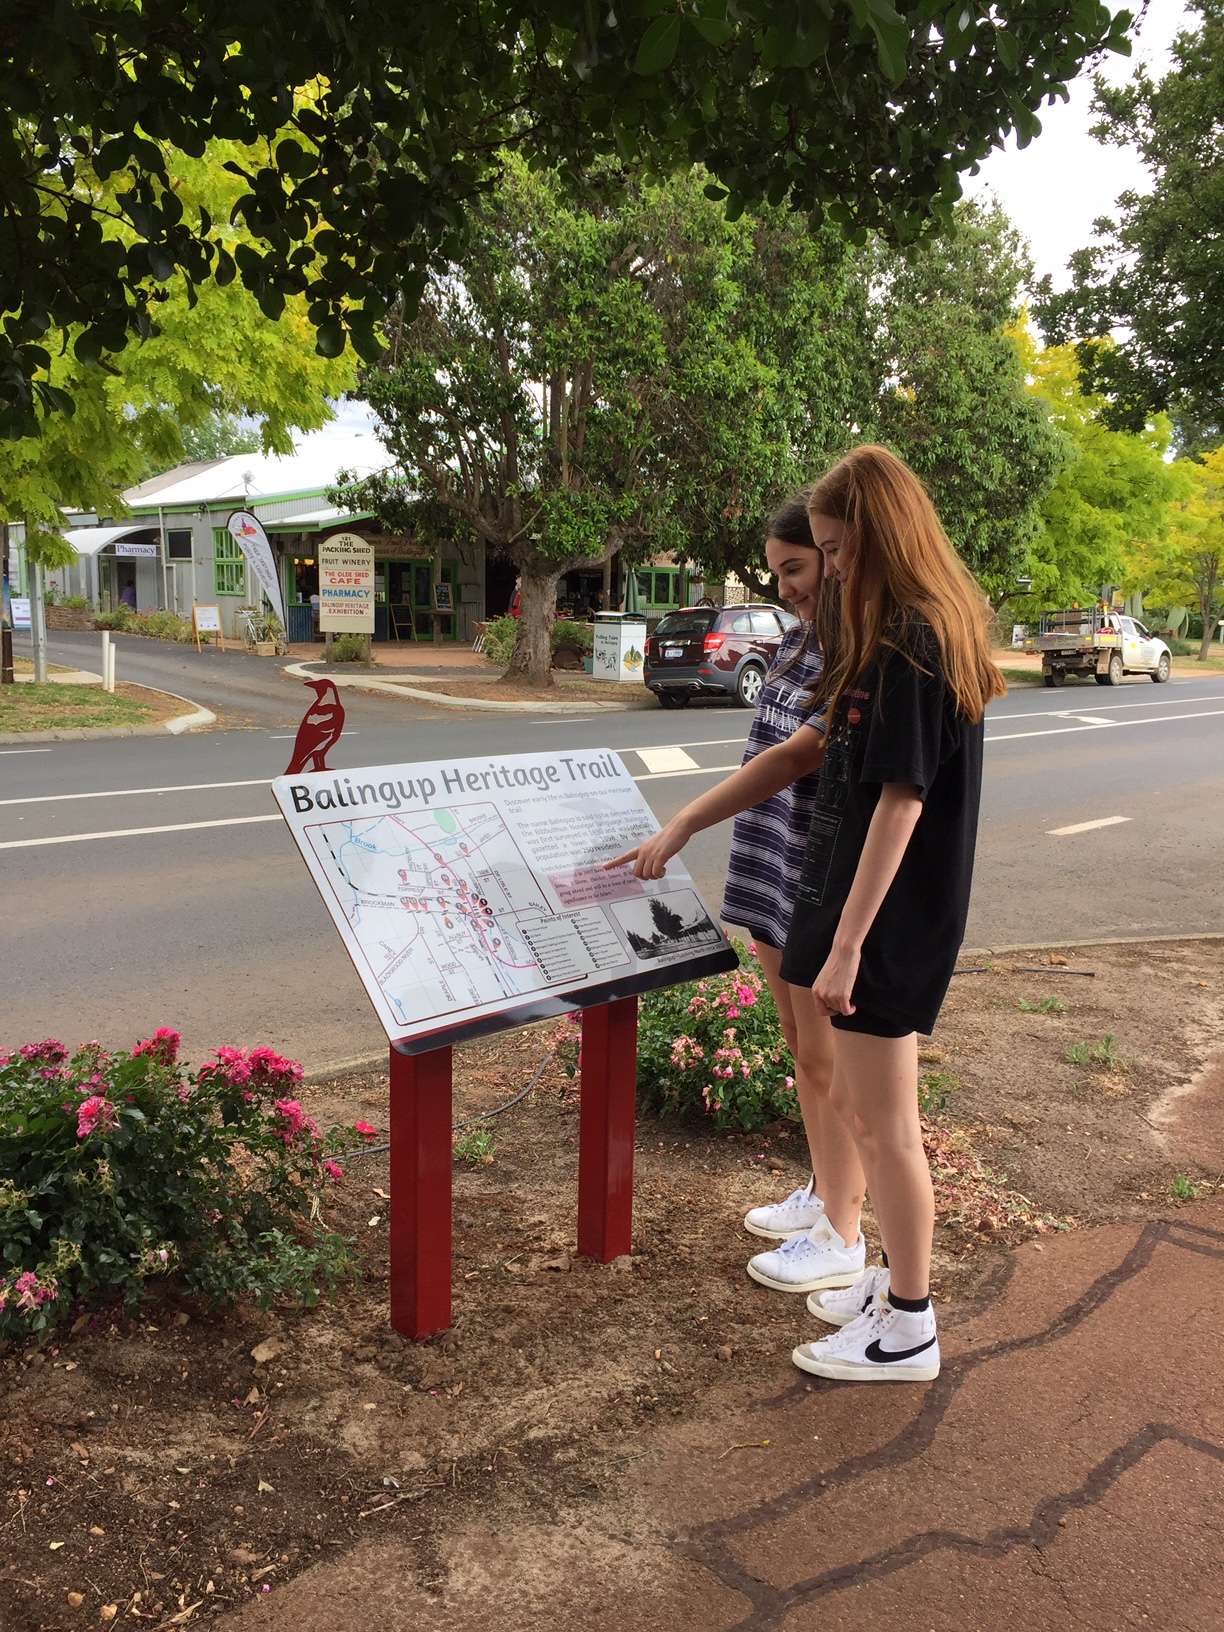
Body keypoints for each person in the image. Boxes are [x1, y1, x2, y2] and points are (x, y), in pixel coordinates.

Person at [609, 445, 1002, 1384]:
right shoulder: (887, 640)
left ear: (873, 534)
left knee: (885, 1131)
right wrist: (694, 820)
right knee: (872, 1124)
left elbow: (902, 804)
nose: (823, 569)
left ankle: (908, 1322)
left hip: (886, 926)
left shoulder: (913, 641)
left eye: (830, 547)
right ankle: (891, 1290)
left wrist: (849, 947)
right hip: (848, 913)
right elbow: (800, 758)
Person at [720, 494, 867, 1300]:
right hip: (772, 855)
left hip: (814, 870)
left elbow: (800, 763)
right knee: (794, 1033)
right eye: (778, 571)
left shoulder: (861, 653)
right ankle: (824, 1187)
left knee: (826, 1051)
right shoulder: (802, 640)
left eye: (799, 567)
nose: (788, 587)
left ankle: (842, 1227)